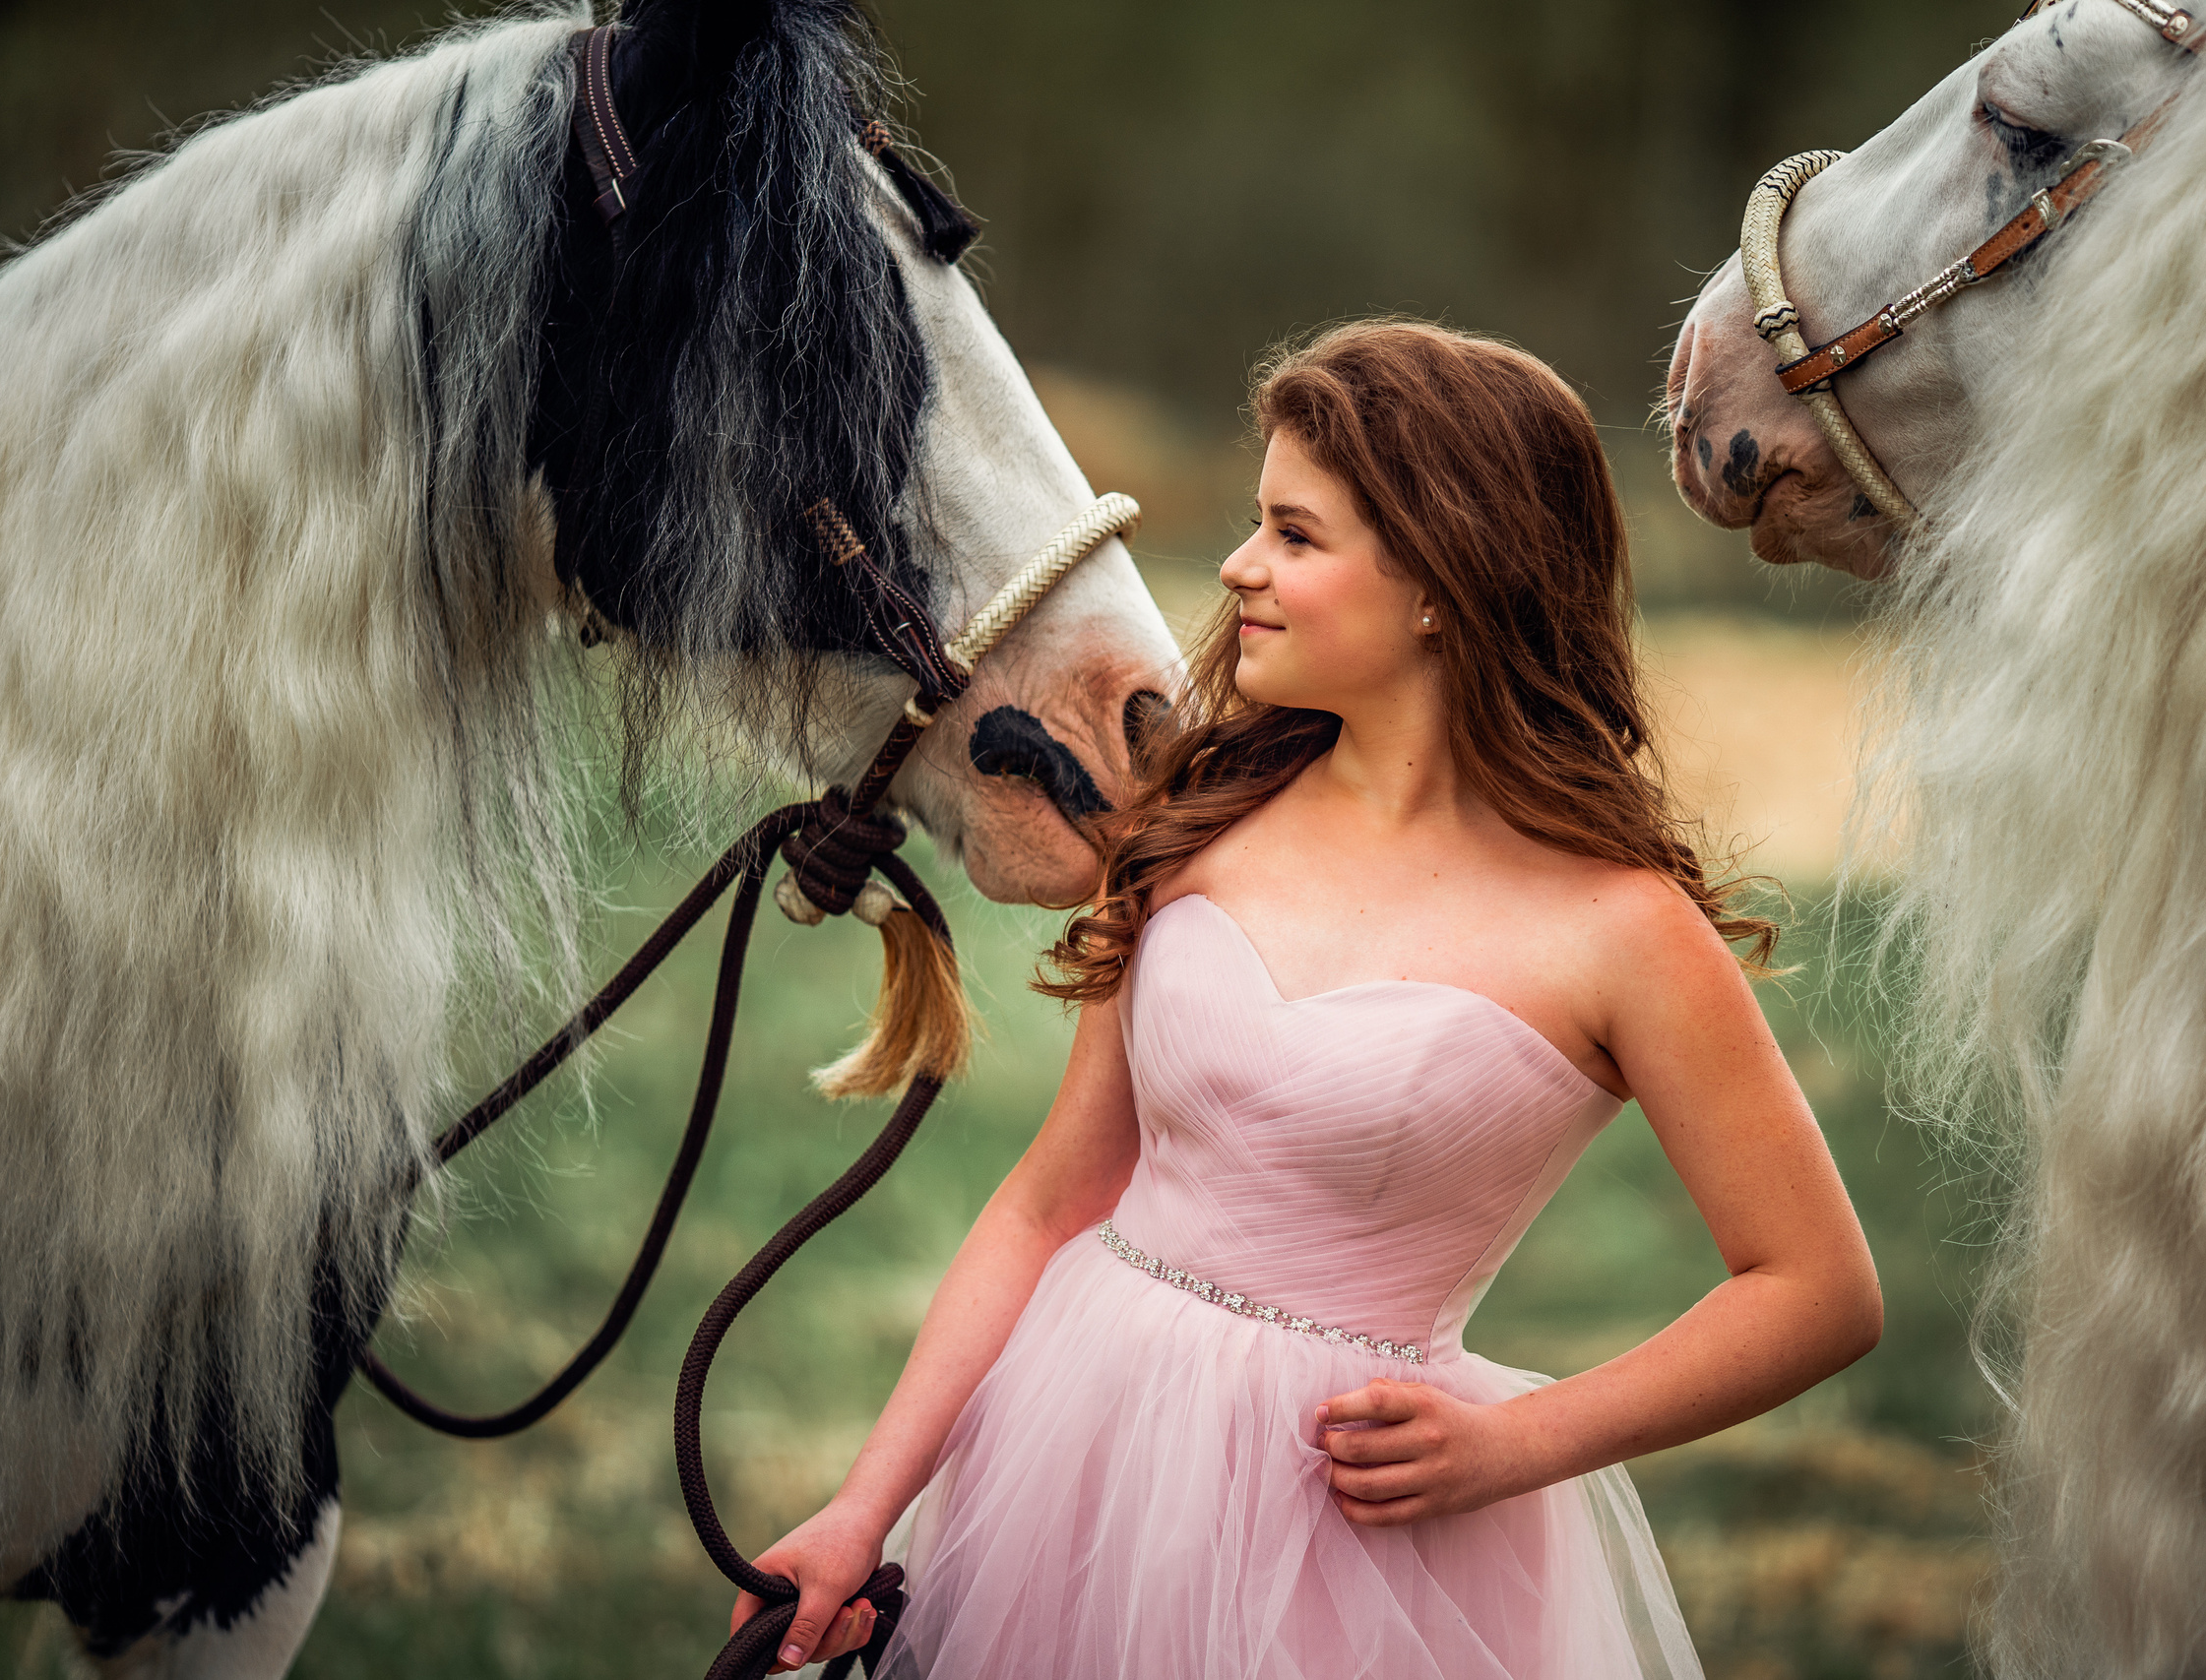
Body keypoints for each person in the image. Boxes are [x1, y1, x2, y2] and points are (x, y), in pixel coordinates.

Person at [735, 320, 1883, 1679]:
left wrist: (1520, 1441)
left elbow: (1818, 1290)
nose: (1239, 568)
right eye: (1257, 523)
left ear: (1441, 583)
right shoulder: (1193, 818)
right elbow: (1051, 1199)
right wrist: (863, 1510)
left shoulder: (1622, 932)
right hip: (1074, 1455)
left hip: (1353, 1539)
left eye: (1295, 534)